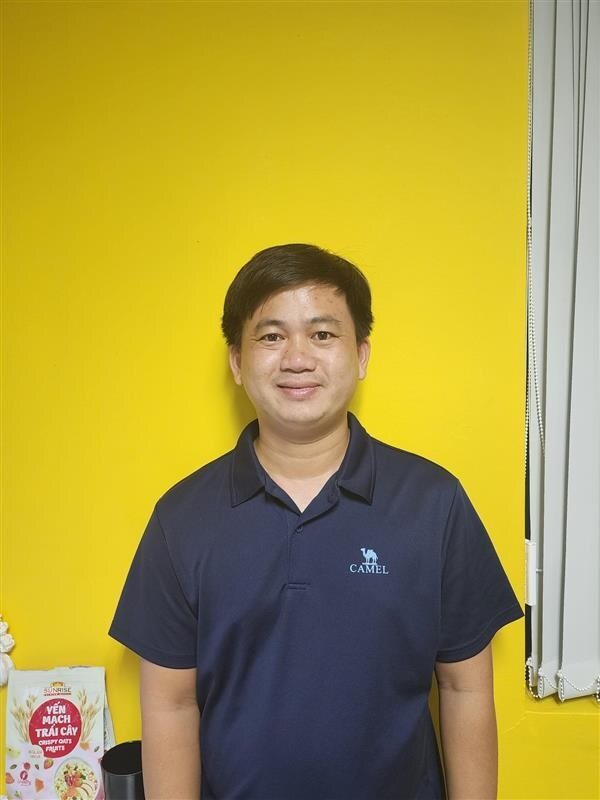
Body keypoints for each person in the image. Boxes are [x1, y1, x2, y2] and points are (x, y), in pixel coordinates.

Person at [109, 243, 524, 800]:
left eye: (323, 335)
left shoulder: (434, 503)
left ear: (362, 354)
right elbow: (171, 703)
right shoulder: (181, 519)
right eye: (271, 336)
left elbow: (465, 689)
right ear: (237, 360)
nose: (297, 358)